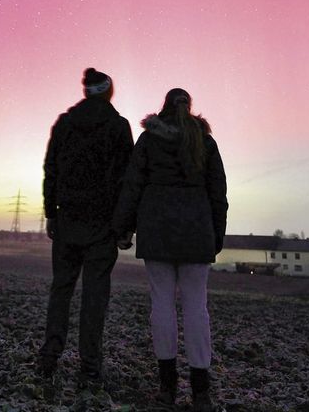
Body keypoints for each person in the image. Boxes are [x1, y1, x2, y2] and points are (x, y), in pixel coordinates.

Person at [113, 88, 227, 411]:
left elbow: (132, 185)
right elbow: (218, 193)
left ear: (162, 109)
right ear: (190, 108)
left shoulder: (149, 141)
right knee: (196, 309)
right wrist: (215, 237)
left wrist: (123, 228)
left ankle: (167, 387)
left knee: (161, 306)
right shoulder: (206, 143)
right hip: (196, 234)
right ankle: (201, 391)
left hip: (157, 232)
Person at [39, 67, 134, 381]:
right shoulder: (119, 127)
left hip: (67, 220)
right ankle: (90, 368)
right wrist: (124, 226)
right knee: (95, 297)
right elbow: (126, 180)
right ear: (108, 92)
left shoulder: (65, 123)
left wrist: (51, 211)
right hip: (102, 227)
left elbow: (50, 168)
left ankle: (48, 359)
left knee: (61, 291)